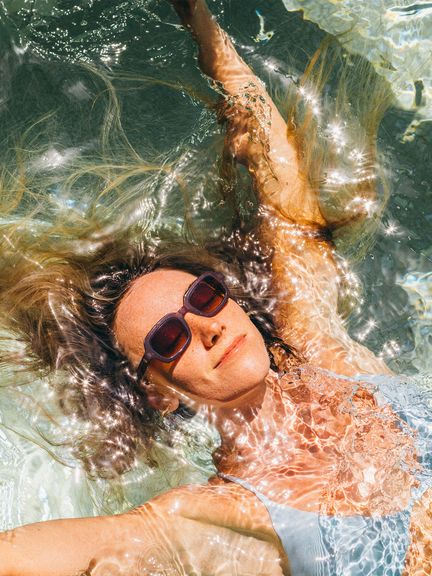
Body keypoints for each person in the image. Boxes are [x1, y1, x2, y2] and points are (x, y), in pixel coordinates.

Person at [0, 0, 431, 574]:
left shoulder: (322, 345)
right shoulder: (220, 515)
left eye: (203, 297)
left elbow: (277, 180)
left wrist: (200, 20)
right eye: (169, 337)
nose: (205, 327)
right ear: (158, 393)